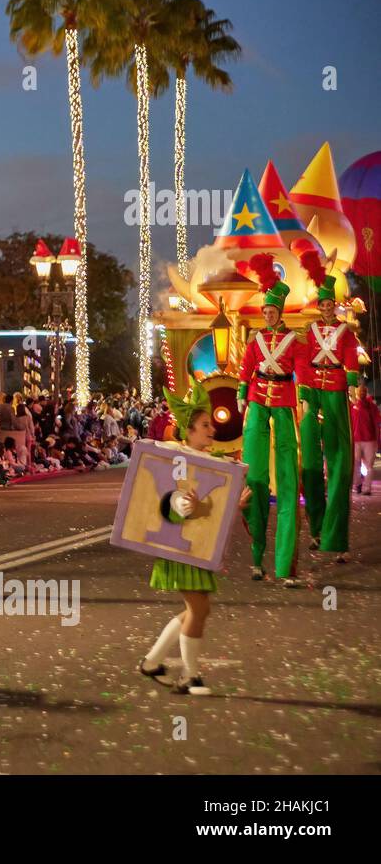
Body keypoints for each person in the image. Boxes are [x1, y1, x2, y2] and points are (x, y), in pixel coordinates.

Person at [138, 384, 254, 695]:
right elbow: (173, 504)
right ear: (188, 431)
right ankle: (189, 676)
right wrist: (189, 505)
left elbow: (208, 510)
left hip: (196, 548)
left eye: (211, 425)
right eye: (205, 425)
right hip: (180, 550)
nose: (212, 429)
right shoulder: (179, 459)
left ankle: (152, 662)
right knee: (199, 609)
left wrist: (232, 504)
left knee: (198, 610)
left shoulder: (208, 461)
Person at [236, 253, 307, 587]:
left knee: (288, 480)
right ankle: (256, 557)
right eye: (264, 311)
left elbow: (302, 372)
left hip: (283, 405)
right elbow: (246, 369)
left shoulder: (295, 342)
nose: (267, 315)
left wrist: (304, 397)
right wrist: (241, 392)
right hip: (258, 404)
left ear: (280, 312)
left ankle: (285, 567)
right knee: (254, 478)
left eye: (272, 311)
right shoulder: (256, 341)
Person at [293, 243, 359, 562]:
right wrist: (305, 396)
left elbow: (350, 358)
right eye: (324, 304)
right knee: (309, 466)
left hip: (335, 392)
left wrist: (352, 383)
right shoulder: (310, 332)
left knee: (340, 465)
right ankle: (318, 530)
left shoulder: (345, 332)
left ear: (335, 305)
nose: (328, 308)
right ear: (319, 306)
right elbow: (304, 364)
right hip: (314, 395)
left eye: (331, 303)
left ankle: (338, 537)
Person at [352, 389, 380, 495]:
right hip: (359, 440)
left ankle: (365, 487)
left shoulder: (371, 407)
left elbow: (376, 424)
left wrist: (377, 440)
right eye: (360, 392)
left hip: (368, 440)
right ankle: (359, 485)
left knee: (367, 465)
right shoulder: (354, 407)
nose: (361, 393)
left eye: (363, 391)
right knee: (358, 464)